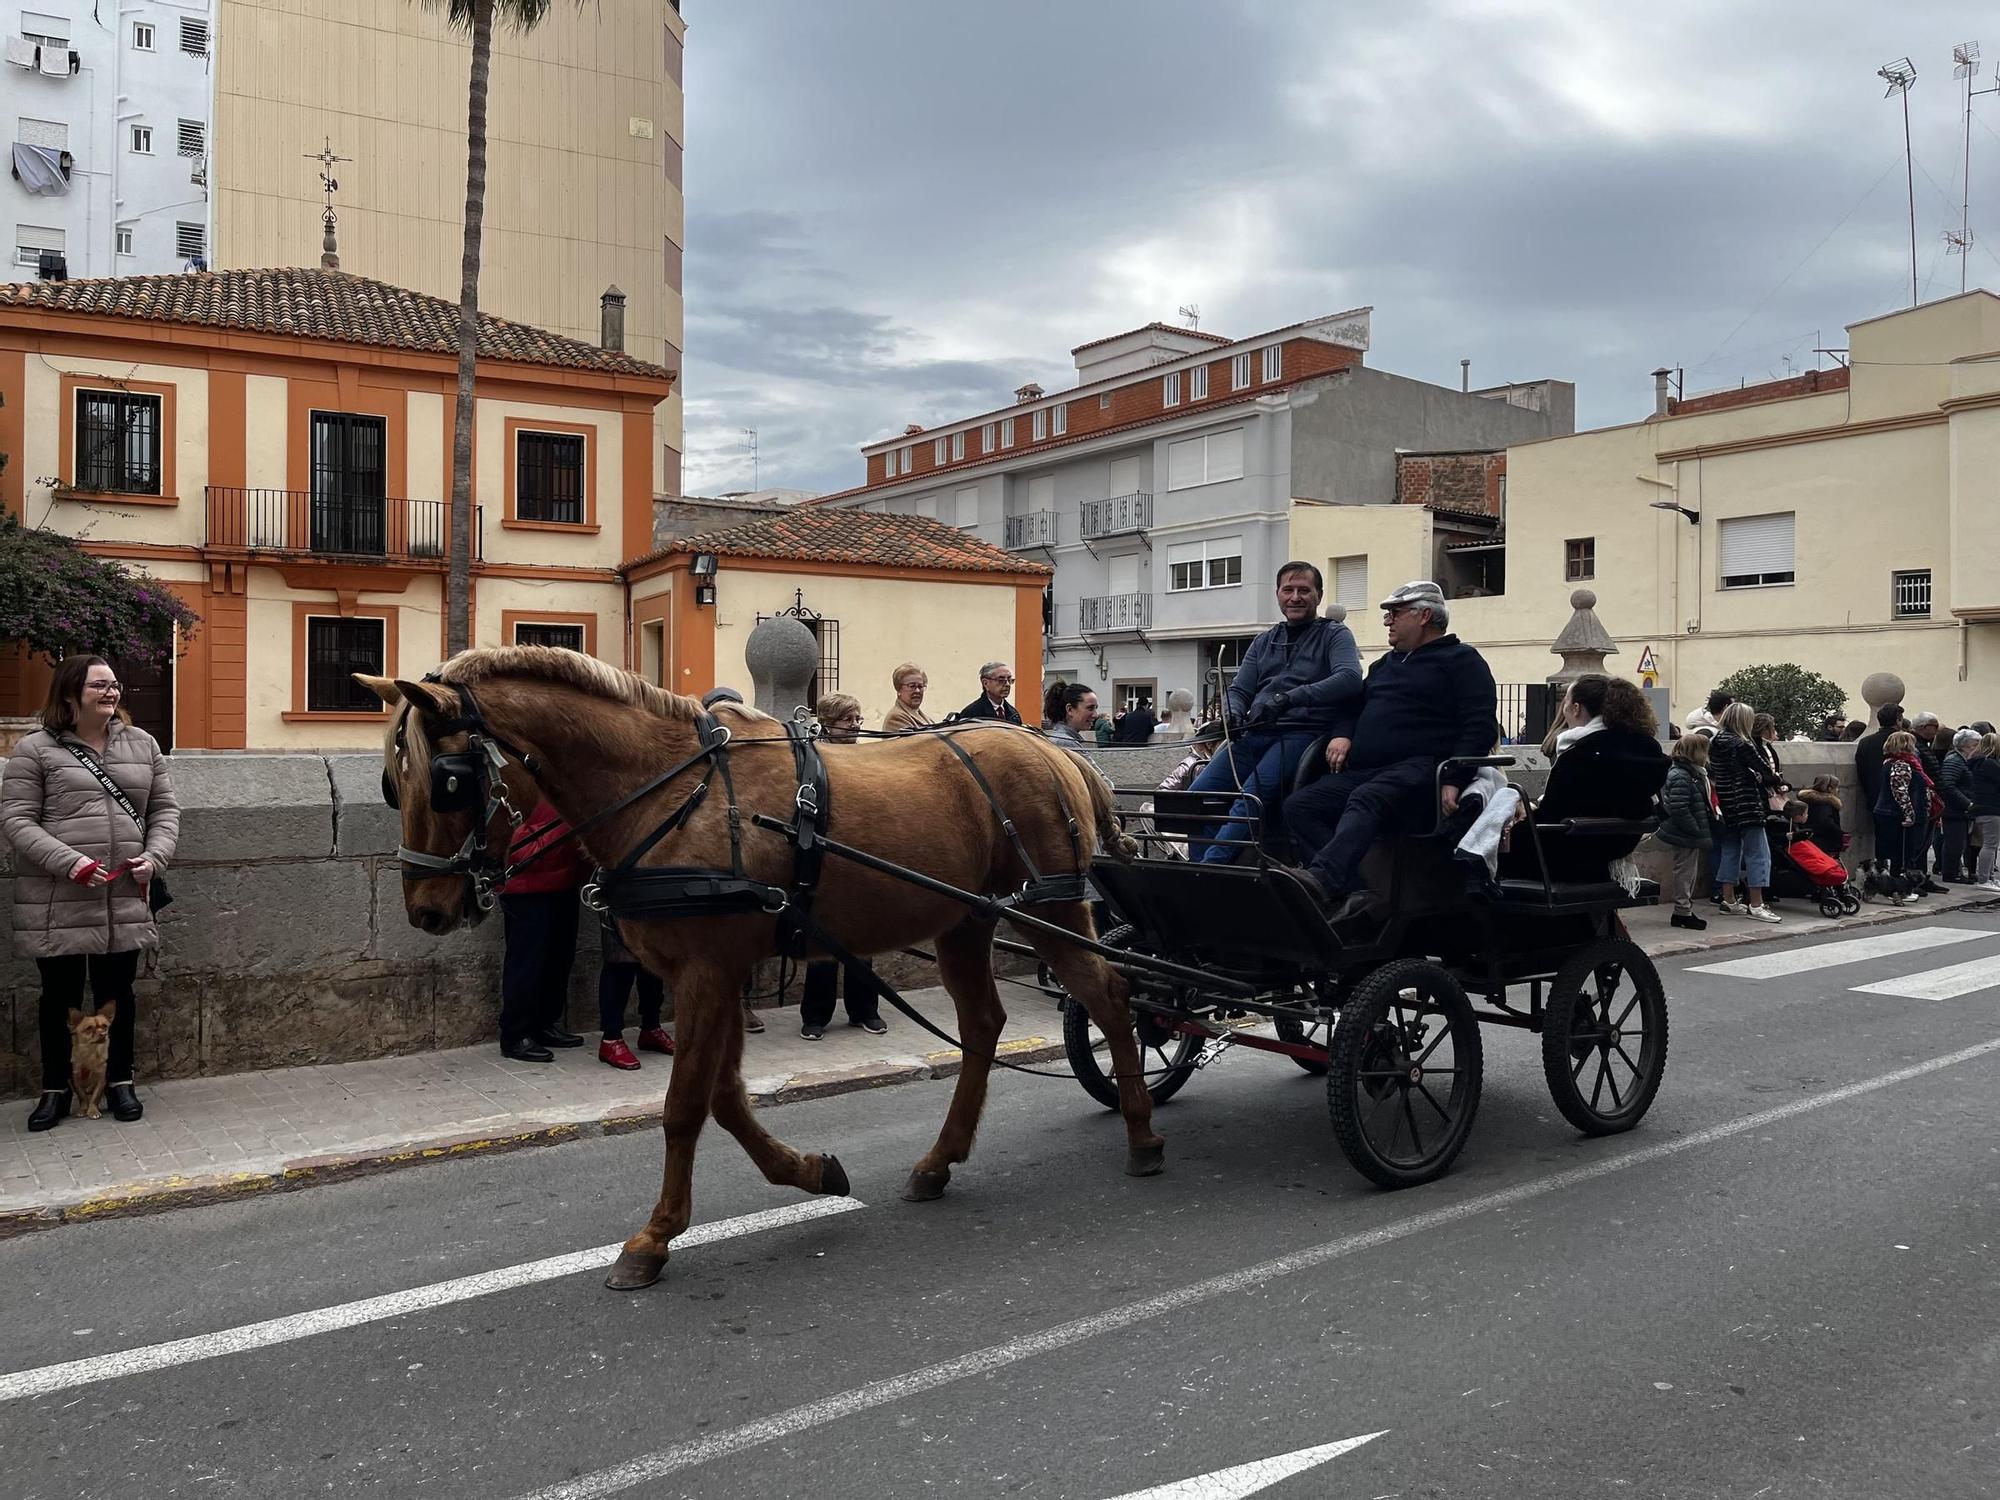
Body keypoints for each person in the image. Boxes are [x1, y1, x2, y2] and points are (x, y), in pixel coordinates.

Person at [3, 656, 181, 1131]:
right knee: (58, 995)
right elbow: (17, 820)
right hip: (56, 895)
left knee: (117, 990)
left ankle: (120, 1082)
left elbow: (165, 810)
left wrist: (155, 857)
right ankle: (55, 1089)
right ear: (69, 693)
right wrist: (71, 862)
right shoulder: (35, 750)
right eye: (99, 685)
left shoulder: (143, 744)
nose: (111, 691)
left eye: (114, 684)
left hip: (123, 890)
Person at [1283, 582, 1496, 919]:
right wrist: (1342, 735)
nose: (1387, 622)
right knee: (1299, 805)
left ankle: (1323, 877)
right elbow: (1351, 708)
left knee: (1368, 796)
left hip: (1422, 769)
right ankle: (1355, 890)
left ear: (1424, 615)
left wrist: (1455, 776)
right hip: (1367, 771)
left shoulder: (1462, 660)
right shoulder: (1384, 665)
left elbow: (1480, 725)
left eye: (1395, 613)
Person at [1188, 562, 1362, 863]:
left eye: (1304, 590)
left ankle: (1209, 870)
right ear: (1278, 595)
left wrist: (1290, 698)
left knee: (1250, 797)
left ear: (1318, 596)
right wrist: (1233, 713)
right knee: (1194, 797)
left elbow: (1349, 678)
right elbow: (1240, 690)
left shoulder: (1335, 635)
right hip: (1254, 734)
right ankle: (1196, 864)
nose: (1295, 597)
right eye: (1288, 590)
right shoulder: (1263, 640)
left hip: (1301, 735)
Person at [1513, 674, 1667, 881]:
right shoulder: (1646, 749)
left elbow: (1552, 816)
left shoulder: (1580, 753)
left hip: (1565, 856)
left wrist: (1524, 818)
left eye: (1566, 703)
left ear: (1576, 708)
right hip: (1614, 851)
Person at [799, 693, 887, 1040]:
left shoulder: (865, 758)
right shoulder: (813, 757)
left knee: (862, 943)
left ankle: (864, 1010)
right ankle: (815, 1017)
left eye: (858, 719)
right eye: (849, 720)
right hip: (826, 858)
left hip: (862, 856)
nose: (855, 726)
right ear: (828, 724)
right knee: (822, 944)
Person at [496, 799, 587, 1062]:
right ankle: (515, 1034)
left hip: (565, 879)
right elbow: (509, 839)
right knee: (527, 962)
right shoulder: (517, 781)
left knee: (559, 958)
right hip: (527, 887)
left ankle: (545, 1023)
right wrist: (563, 832)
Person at [1709, 701, 1783, 923]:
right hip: (1747, 803)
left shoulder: (1715, 741)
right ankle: (1757, 904)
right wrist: (1765, 778)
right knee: (1759, 854)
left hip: (1726, 803)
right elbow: (1768, 773)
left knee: (1730, 851)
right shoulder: (1742, 744)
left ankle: (1728, 899)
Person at [595, 907, 671, 1070]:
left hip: (651, 892)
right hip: (619, 893)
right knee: (620, 960)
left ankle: (651, 1028)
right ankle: (611, 1038)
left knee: (653, 959)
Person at [1655, 733, 1713, 930]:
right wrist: (1695, 829)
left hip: (1685, 830)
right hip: (1684, 832)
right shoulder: (1682, 774)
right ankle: (1682, 911)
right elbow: (1679, 808)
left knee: (1688, 871)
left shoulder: (1688, 772)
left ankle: (1685, 909)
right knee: (1685, 872)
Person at [1873, 729, 1934, 886]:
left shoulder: (1891, 763)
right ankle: (1898, 885)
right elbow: (1900, 792)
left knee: (1896, 853)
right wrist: (1909, 815)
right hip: (1896, 814)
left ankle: (1896, 883)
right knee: (1900, 853)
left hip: (1889, 812)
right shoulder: (1901, 764)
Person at [1937, 728, 1978, 883]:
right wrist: (1967, 803)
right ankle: (1951, 874)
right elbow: (1948, 785)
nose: (1977, 748)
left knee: (1958, 843)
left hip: (1959, 809)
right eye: (1975, 744)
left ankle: (1955, 872)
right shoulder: (1954, 760)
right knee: (1954, 843)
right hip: (1954, 810)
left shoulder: (1961, 760)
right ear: (1966, 746)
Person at [1853, 702, 1903, 816]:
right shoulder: (1903, 742)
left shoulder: (1865, 742)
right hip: (1900, 800)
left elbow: (1861, 771)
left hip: (1875, 798)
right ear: (1898, 721)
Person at [1967, 731, 2000, 890]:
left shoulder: (1976, 762)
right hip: (1991, 807)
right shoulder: (1990, 764)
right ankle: (1984, 879)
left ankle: (1989, 878)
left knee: (1989, 844)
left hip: (1981, 807)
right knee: (1989, 844)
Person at [955, 662, 1023, 724]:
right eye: (1001, 680)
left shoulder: (1013, 714)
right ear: (985, 683)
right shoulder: (972, 714)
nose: (1008, 684)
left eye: (1010, 680)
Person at [1800, 774, 1847, 862]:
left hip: (1812, 840)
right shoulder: (1825, 804)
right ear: (1829, 789)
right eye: (1836, 788)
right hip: (1825, 842)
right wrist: (1840, 833)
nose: (1838, 790)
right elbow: (1826, 822)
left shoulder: (1808, 800)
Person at [882, 663, 933, 733]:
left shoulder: (927, 719)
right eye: (912, 686)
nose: (917, 691)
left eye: (920, 686)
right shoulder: (896, 718)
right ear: (898, 689)